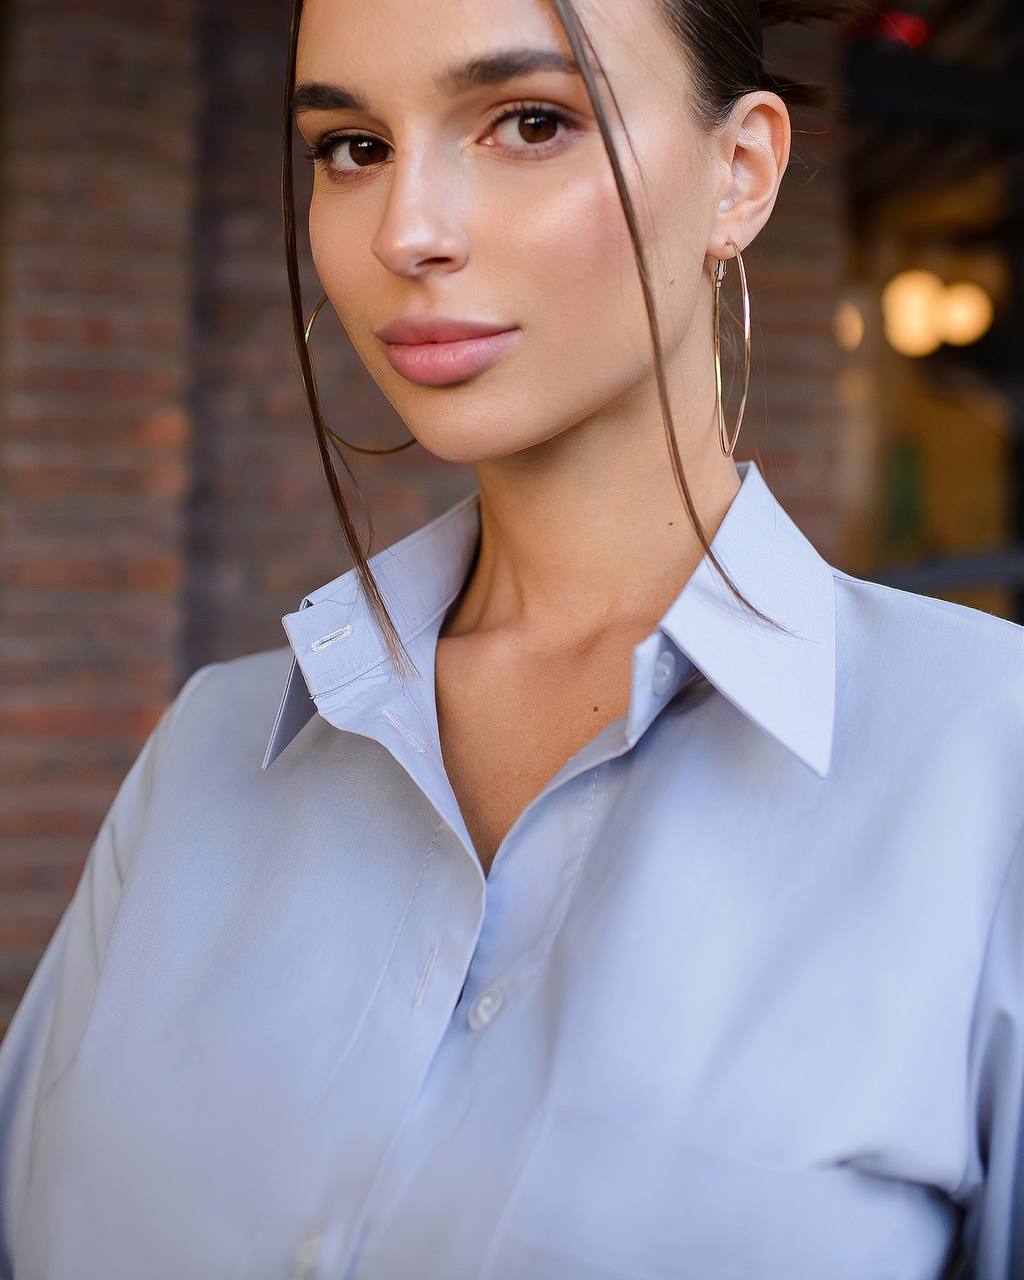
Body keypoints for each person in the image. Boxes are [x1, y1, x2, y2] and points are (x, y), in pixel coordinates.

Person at [0, 0, 1020, 1276]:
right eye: (350, 148)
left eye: (529, 121)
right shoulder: (208, 751)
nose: (405, 232)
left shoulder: (987, 764)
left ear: (739, 173)